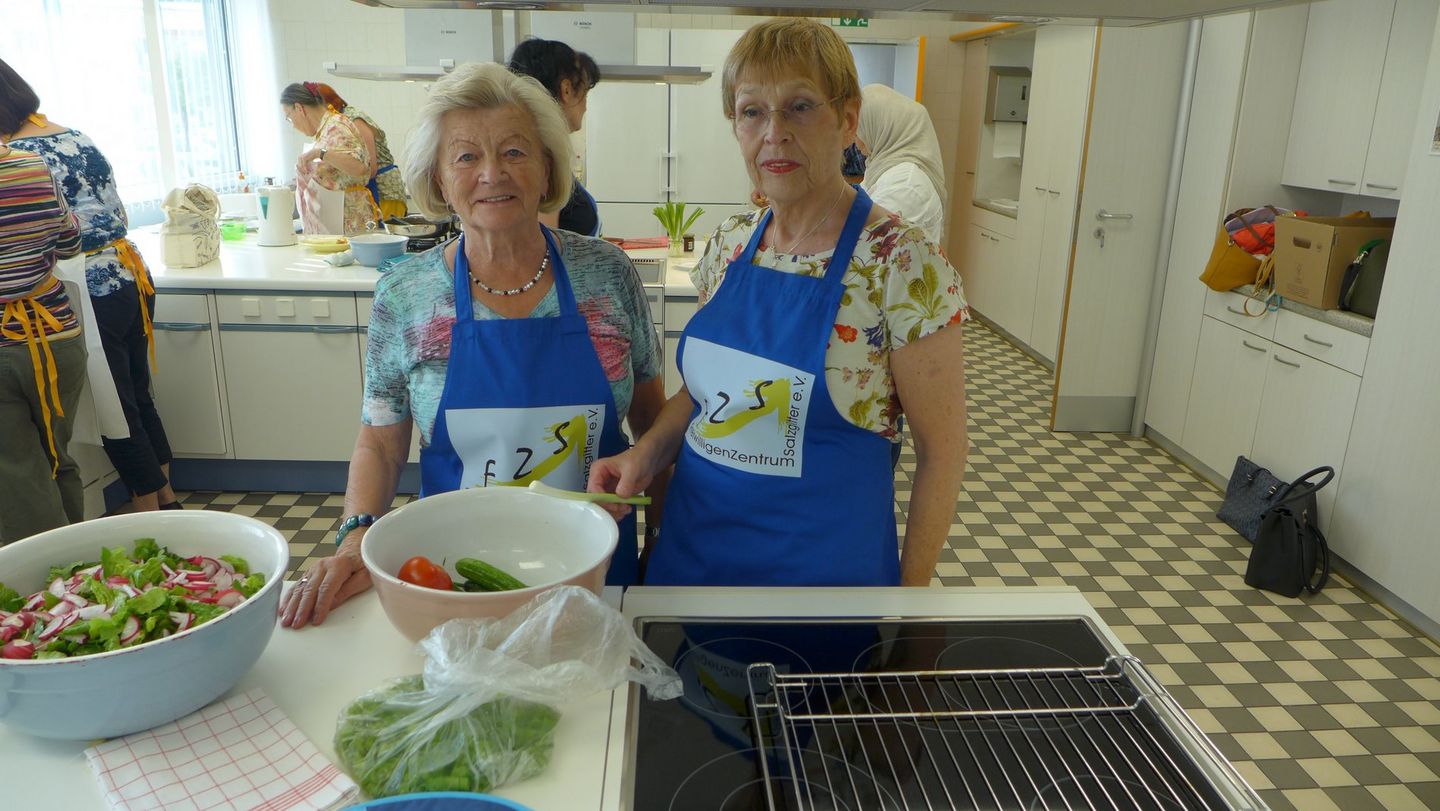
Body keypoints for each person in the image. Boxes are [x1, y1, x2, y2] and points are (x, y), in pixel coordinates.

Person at [279, 62, 665, 628]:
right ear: (438, 179)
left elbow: (653, 425)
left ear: (547, 169)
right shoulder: (406, 295)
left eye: (514, 151)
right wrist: (354, 536)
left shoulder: (607, 274)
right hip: (454, 575)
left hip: (596, 569)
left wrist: (661, 538)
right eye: (465, 157)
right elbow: (381, 445)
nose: (492, 173)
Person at [588, 19, 970, 588]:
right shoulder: (730, 243)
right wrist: (642, 457)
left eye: (800, 107)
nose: (774, 133)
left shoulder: (901, 262)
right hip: (693, 566)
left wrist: (911, 605)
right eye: (752, 111)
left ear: (848, 120)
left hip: (820, 589)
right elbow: (701, 394)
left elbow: (943, 453)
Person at [2, 60, 180, 514]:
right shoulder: (72, 134)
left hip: (90, 285)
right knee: (137, 393)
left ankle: (147, 516)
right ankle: (167, 497)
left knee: (113, 409)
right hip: (129, 273)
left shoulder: (19, 155)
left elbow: (55, 239)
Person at [0, 138, 86, 543]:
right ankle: (81, 561)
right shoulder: (34, 167)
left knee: (15, 469)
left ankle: (46, 569)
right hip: (54, 336)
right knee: (58, 456)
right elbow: (70, 243)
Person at [508, 38, 602, 237]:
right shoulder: (542, 158)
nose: (586, 106)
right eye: (585, 92)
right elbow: (542, 244)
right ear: (566, 89)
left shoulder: (530, 151)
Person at [855, 83, 947, 245]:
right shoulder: (881, 168)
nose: (855, 140)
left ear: (881, 128)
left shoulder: (905, 185)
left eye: (859, 130)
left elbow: (865, 241)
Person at [280, 82, 375, 236]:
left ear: (299, 108)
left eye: (289, 118)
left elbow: (359, 168)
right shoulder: (325, 130)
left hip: (350, 221)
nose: (293, 126)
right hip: (338, 221)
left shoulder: (336, 126)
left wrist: (321, 153)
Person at [307, 83, 407, 220]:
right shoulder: (336, 123)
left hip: (384, 191)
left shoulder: (353, 119)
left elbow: (370, 168)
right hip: (370, 191)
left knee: (386, 232)